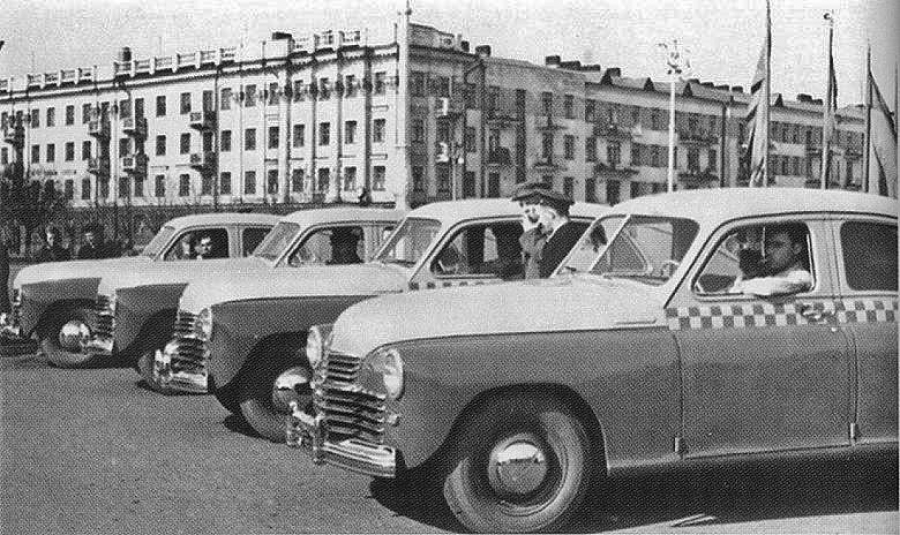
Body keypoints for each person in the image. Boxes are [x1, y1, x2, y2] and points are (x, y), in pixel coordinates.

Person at [730, 223, 812, 296]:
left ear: (796, 248)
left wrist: (742, 286)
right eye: (768, 245)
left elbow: (772, 288)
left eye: (777, 245)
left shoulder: (802, 275)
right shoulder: (774, 272)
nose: (769, 251)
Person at [535, 189, 582, 278]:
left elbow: (552, 276)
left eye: (540, 216)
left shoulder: (566, 237)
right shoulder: (566, 233)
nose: (540, 222)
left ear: (551, 214)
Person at [511, 180, 552, 279]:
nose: (525, 209)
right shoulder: (537, 230)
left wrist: (528, 231)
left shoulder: (552, 228)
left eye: (529, 203)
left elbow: (539, 254)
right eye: (522, 205)